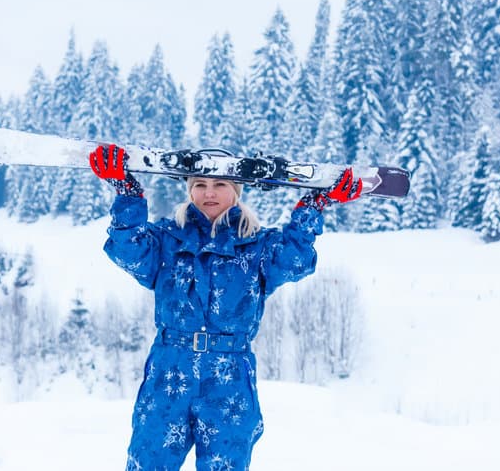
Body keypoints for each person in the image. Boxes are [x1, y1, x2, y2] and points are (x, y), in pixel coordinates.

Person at [89, 144, 362, 471]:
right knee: (148, 463)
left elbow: (294, 260)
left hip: (230, 379)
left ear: (236, 191)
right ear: (189, 190)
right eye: (200, 185)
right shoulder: (166, 239)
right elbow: (127, 251)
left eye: (220, 184)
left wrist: (314, 207)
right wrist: (128, 194)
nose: (209, 193)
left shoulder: (259, 246)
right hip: (168, 373)